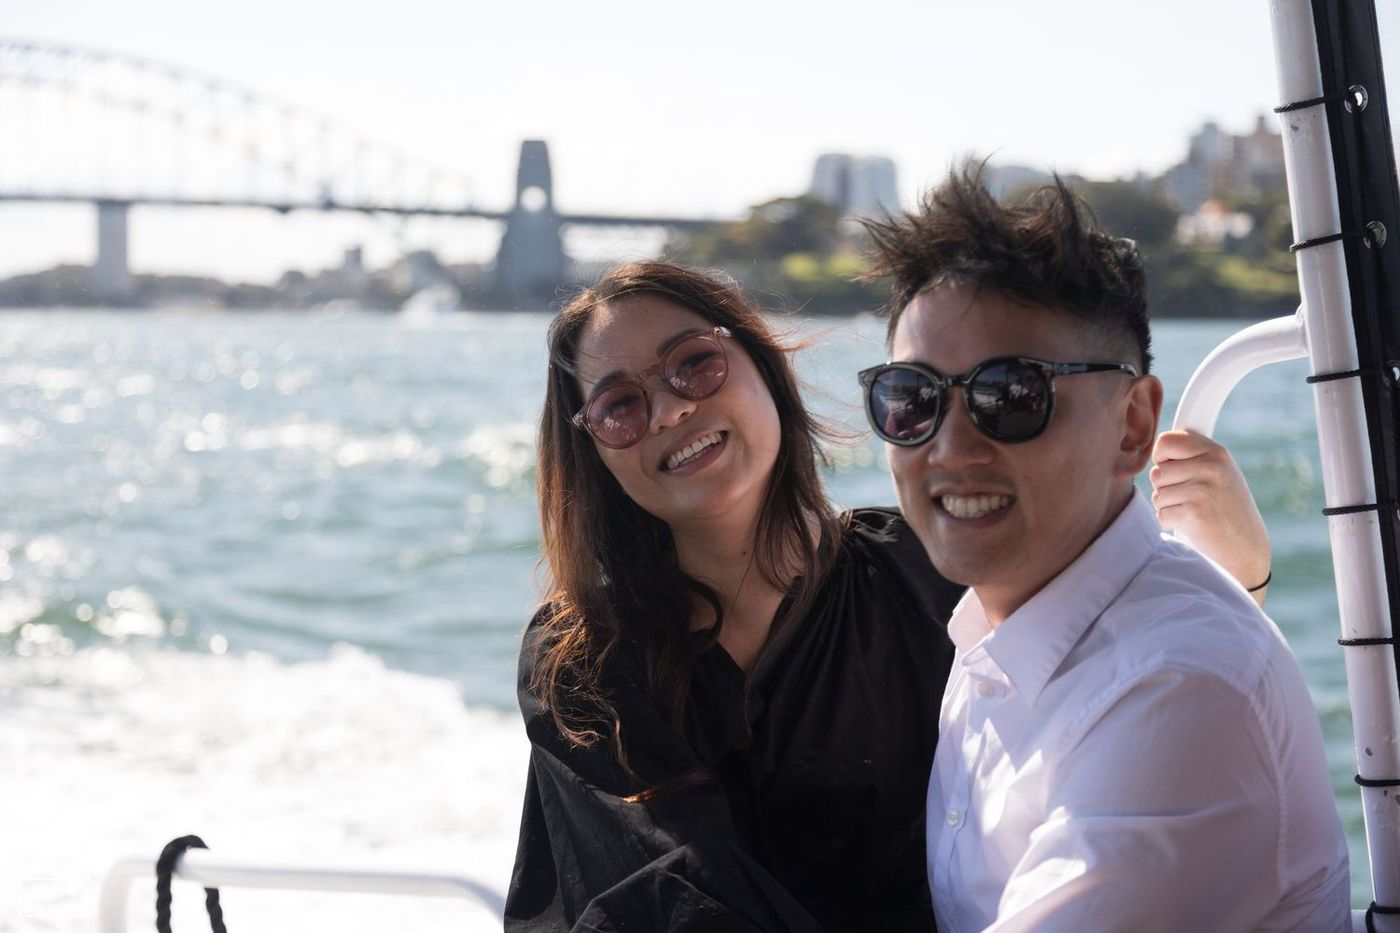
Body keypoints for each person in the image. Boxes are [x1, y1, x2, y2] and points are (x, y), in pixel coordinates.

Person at [507, 260, 1272, 932]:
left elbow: (1113, 699)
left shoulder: (926, 571)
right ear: (594, 452)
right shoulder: (582, 657)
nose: (669, 409)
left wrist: (1241, 580)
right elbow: (671, 890)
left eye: (694, 365)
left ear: (759, 360)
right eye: (619, 406)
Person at [859, 168, 1349, 932]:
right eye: (912, 397)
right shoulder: (998, 630)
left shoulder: (1180, 692)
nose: (949, 447)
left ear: (1133, 427)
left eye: (1011, 395)